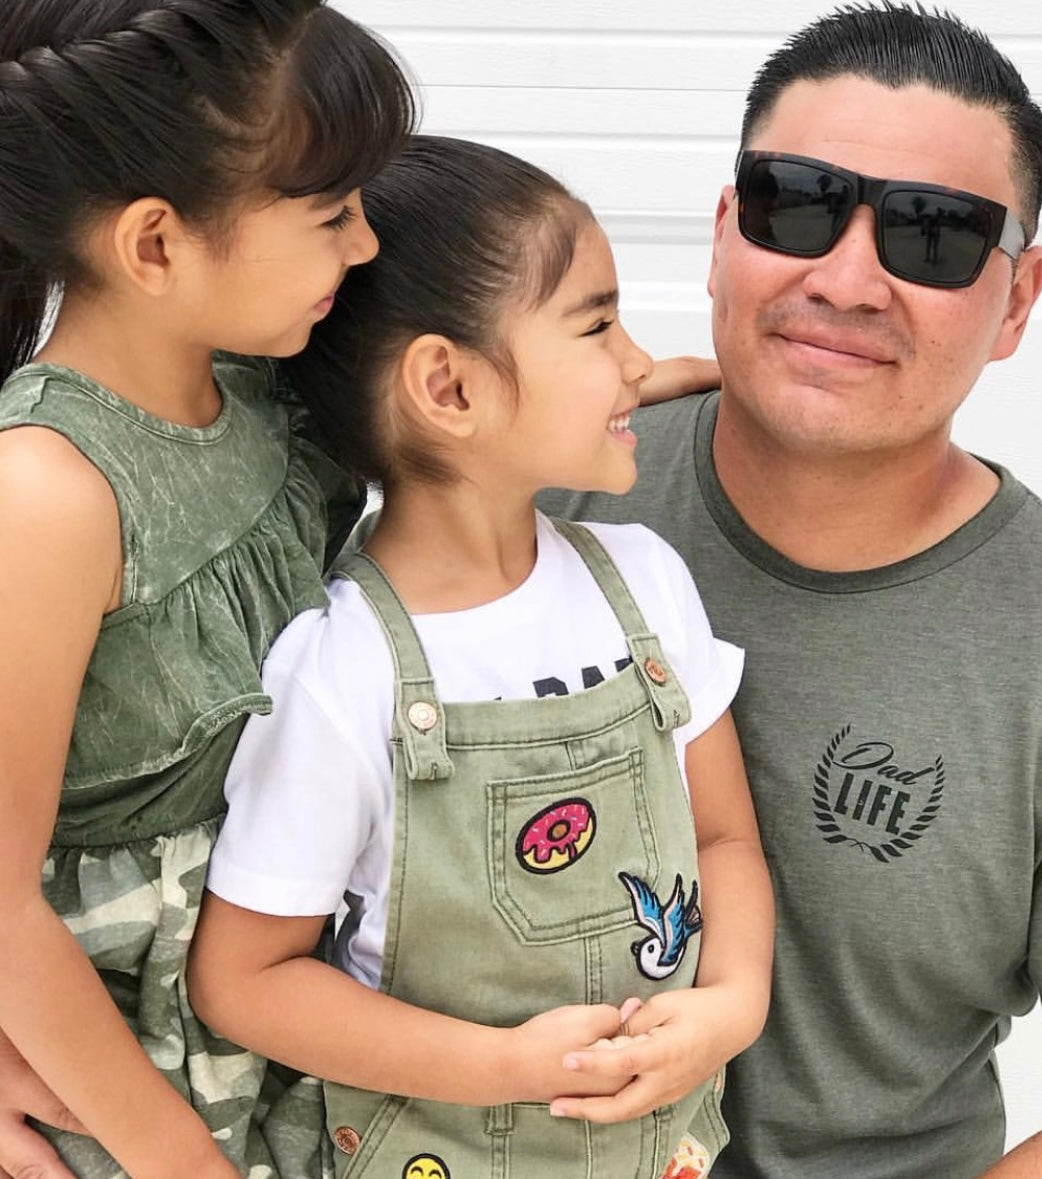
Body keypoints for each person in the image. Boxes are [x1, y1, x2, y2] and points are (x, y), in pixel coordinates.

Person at [540, 4, 1042, 1177]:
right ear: (727, 229)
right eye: (798, 203)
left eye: (933, 236)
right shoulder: (530, 496)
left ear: (1019, 300)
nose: (846, 278)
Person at [185, 136, 773, 1179]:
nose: (638, 361)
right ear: (448, 388)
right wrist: (499, 1066)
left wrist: (731, 1004)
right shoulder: (342, 670)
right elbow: (246, 980)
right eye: (596, 323)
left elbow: (723, 839)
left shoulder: (645, 584)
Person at [0, 2, 416, 1175]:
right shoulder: (49, 490)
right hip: (126, 1089)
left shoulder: (267, 392)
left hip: (282, 1022)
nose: (367, 245)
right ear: (155, 246)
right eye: (332, 213)